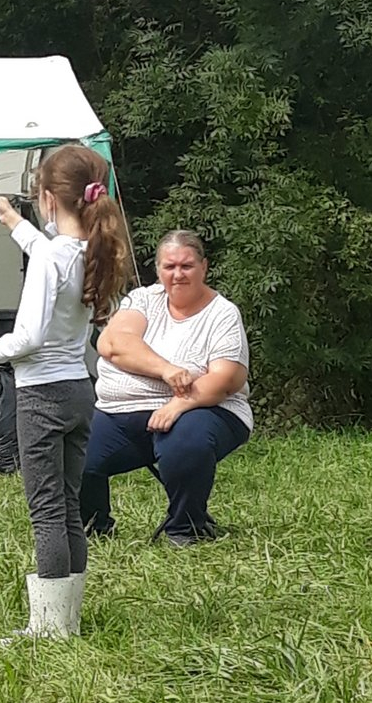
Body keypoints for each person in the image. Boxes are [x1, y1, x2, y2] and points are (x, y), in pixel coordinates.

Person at [0, 144, 130, 639]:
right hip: (79, 391)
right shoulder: (91, 250)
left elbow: (29, 337)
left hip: (41, 397)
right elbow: (47, 251)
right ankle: (68, 619)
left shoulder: (52, 257)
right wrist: (12, 221)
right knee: (67, 505)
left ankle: (48, 629)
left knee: (45, 511)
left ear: (46, 198)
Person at [81, 230, 252, 547]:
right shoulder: (143, 300)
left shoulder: (222, 313)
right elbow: (112, 344)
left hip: (208, 408)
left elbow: (228, 378)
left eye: (186, 266)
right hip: (121, 410)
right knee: (75, 450)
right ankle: (92, 527)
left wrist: (179, 404)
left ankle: (185, 529)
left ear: (204, 267)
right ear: (158, 269)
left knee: (185, 442)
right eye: (169, 266)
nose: (178, 274)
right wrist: (167, 370)